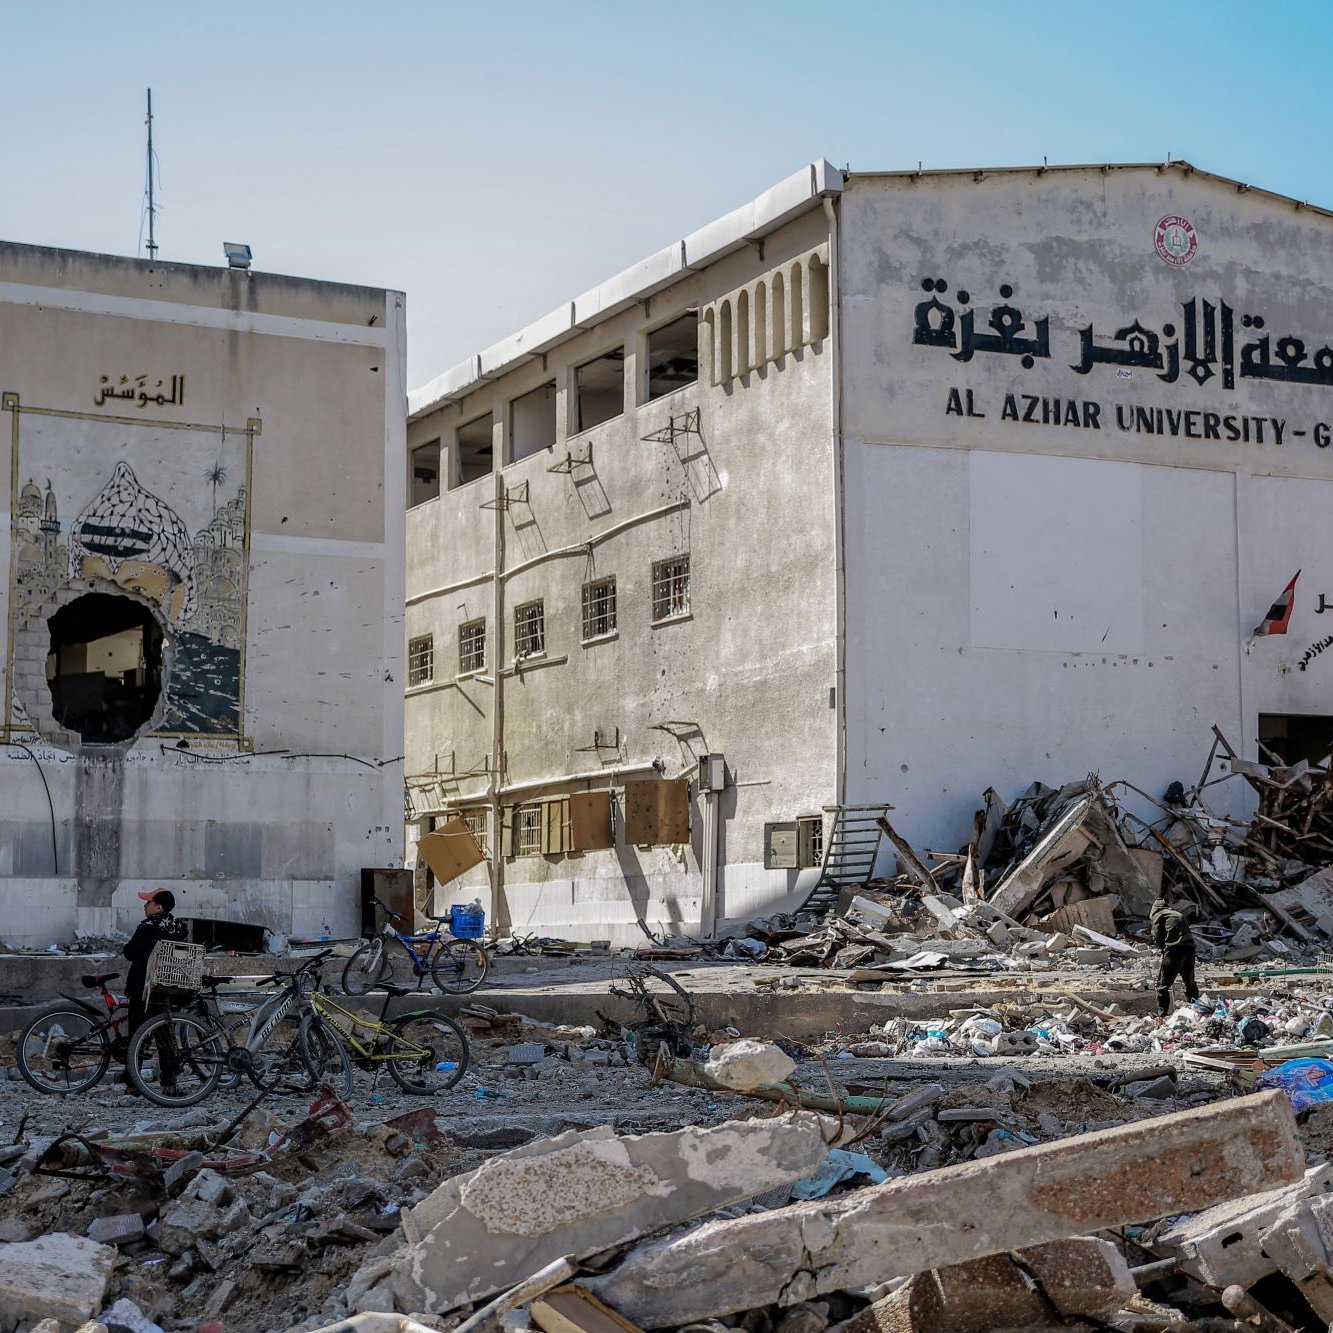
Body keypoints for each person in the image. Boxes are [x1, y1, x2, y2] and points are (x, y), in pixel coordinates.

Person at [122, 889, 188, 1087]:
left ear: (159, 907)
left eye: (148, 902)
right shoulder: (179, 929)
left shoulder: (147, 927)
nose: (144, 906)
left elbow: (130, 952)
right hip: (168, 989)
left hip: (143, 990)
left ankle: (133, 1083)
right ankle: (168, 1083)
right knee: (165, 1037)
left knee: (137, 1037)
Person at [1150, 893, 1200, 1018]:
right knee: (1189, 981)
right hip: (1190, 949)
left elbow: (1157, 935)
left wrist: (1162, 948)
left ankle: (1162, 1014)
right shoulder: (1176, 914)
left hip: (1174, 950)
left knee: (1162, 985)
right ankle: (1198, 1010)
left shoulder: (1159, 915)